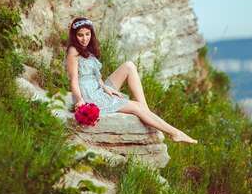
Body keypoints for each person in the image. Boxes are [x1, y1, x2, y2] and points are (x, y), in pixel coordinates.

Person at [65, 17, 197, 144]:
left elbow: (95, 76)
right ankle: (175, 133)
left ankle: (146, 111)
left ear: (91, 33)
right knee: (136, 107)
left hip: (98, 88)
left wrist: (106, 89)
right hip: (89, 96)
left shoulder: (86, 48)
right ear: (74, 36)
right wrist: (80, 99)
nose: (84, 38)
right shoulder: (73, 51)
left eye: (87, 34)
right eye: (80, 35)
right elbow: (74, 80)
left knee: (129, 65)